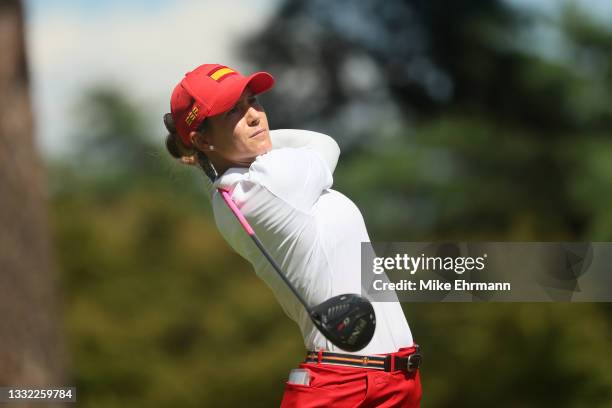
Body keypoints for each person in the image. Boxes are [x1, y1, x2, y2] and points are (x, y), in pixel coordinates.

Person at [164, 64, 422, 407]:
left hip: (390, 380)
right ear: (202, 138)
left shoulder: (237, 189)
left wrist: (217, 149)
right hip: (345, 387)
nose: (255, 115)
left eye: (253, 101)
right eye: (234, 112)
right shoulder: (266, 183)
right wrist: (241, 145)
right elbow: (325, 143)